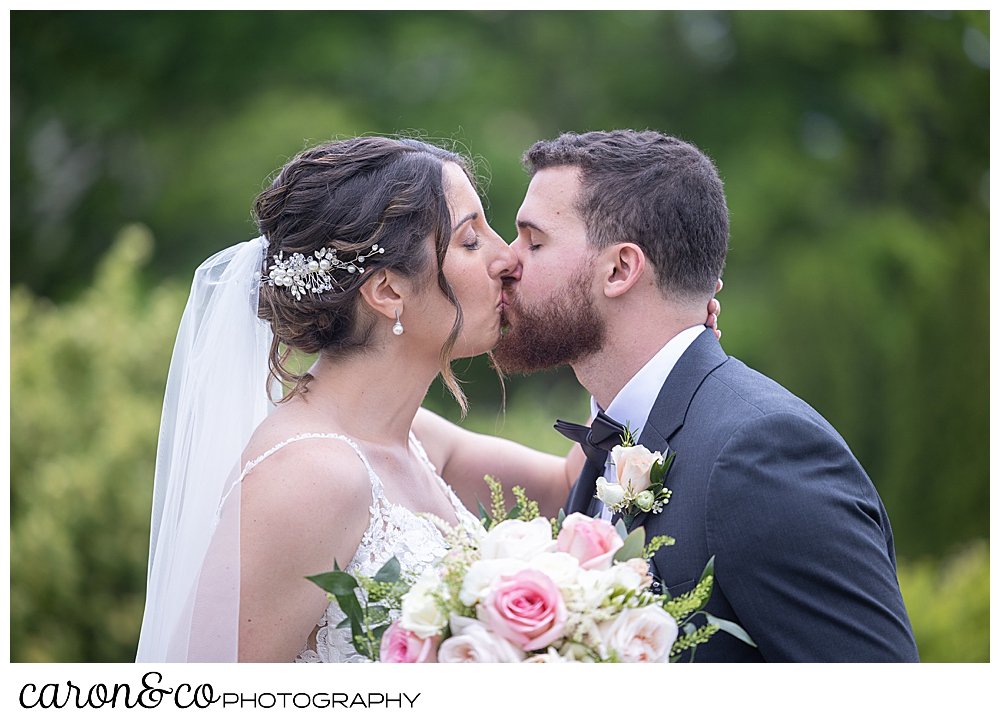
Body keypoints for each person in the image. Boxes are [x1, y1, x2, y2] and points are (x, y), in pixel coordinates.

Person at [134, 134, 723, 662]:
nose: (506, 258)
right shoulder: (308, 475)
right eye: (471, 240)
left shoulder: (417, 438)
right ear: (388, 289)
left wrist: (642, 336)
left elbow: (570, 486)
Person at [493, 130, 920, 662]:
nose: (505, 262)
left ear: (620, 269)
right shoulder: (618, 431)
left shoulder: (763, 453)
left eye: (533, 242)